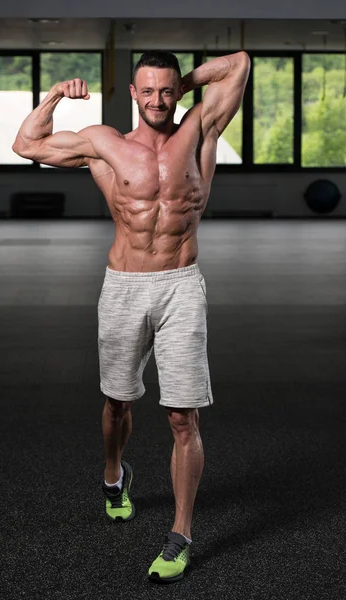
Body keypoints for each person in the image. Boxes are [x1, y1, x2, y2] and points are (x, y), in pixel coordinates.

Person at [13, 50, 250, 584]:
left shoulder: (201, 128)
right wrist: (53, 96)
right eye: (148, 91)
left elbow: (238, 63)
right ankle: (114, 473)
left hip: (182, 286)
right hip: (123, 287)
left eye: (167, 90)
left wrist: (184, 84)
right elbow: (25, 144)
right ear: (133, 93)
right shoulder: (104, 145)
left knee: (183, 416)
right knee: (118, 401)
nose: (158, 100)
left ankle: (181, 533)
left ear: (177, 92)